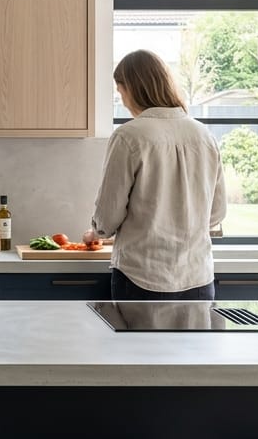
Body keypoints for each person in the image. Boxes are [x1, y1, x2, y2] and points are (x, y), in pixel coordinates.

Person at [84, 49, 227, 300]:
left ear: (131, 88)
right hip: (197, 276)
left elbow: (109, 213)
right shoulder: (204, 136)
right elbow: (216, 212)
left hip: (142, 275)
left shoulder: (129, 136)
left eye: (120, 92)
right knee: (195, 341)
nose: (123, 101)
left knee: (139, 342)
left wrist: (98, 232)